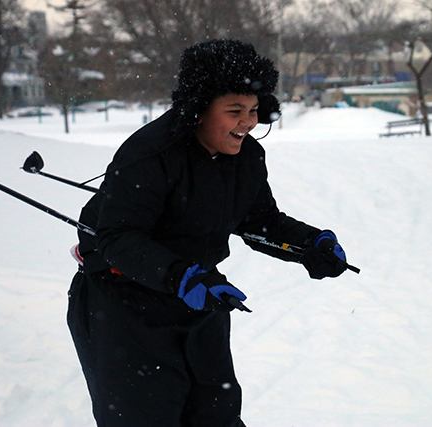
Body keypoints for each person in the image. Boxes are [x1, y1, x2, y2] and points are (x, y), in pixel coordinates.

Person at [67, 39, 350, 427]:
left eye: (253, 110)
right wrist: (180, 275)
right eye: (234, 111)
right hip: (124, 310)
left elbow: (258, 220)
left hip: (199, 303)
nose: (247, 123)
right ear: (198, 109)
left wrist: (310, 245)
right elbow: (117, 238)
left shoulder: (246, 155)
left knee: (216, 417)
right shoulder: (150, 154)